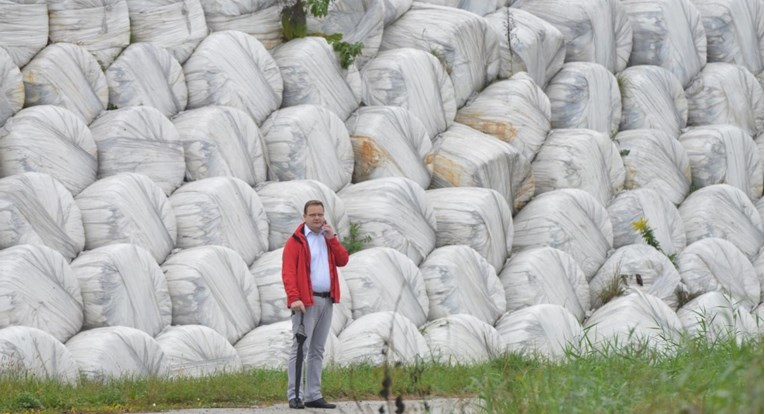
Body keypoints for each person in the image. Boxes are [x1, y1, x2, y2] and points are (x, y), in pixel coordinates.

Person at [282, 200, 349, 410]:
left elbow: (343, 260)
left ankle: (313, 395)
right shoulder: (296, 242)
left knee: (318, 350)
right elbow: (288, 272)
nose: (317, 218)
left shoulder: (327, 238)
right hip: (305, 302)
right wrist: (294, 298)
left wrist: (333, 239)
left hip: (326, 299)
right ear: (304, 217)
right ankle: (295, 395)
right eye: (313, 215)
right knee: (301, 348)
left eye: (320, 214)